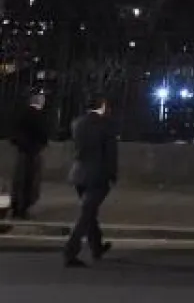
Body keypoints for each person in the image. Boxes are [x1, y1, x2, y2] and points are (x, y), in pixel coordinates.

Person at [63, 93, 116, 268]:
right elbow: (110, 154)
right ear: (101, 106)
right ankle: (71, 250)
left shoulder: (77, 123)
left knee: (89, 211)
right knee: (86, 214)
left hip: (79, 174)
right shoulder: (105, 125)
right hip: (97, 174)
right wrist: (112, 174)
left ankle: (97, 245)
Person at [8, 91, 49, 219]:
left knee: (19, 180)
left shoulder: (21, 114)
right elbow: (43, 134)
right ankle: (23, 208)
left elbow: (13, 133)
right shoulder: (38, 116)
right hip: (33, 152)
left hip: (22, 151)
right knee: (30, 181)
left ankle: (16, 206)